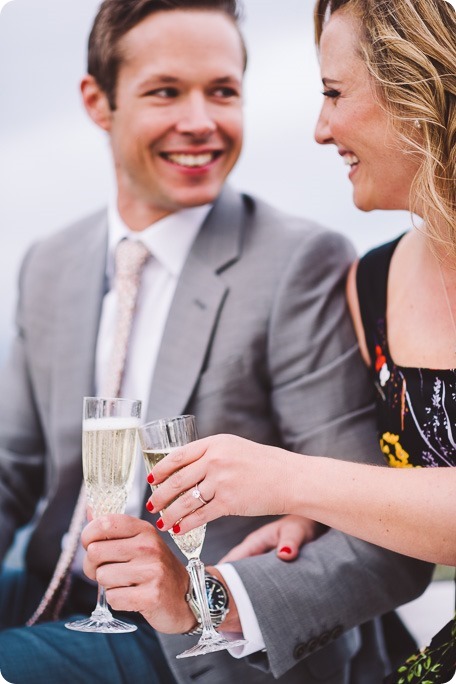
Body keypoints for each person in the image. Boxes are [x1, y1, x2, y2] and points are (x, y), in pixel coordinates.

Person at [0, 0, 432, 683]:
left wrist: (204, 602)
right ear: (97, 101)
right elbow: (9, 472)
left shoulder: (302, 261)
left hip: (198, 646)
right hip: (55, 591)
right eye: (166, 91)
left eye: (223, 91)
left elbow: (376, 537)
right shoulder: (48, 262)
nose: (201, 122)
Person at [143, 0, 456, 681]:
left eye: (335, 93)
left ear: (420, 85)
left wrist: (290, 479)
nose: (320, 129)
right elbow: (404, 503)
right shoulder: (369, 285)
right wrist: (320, 514)